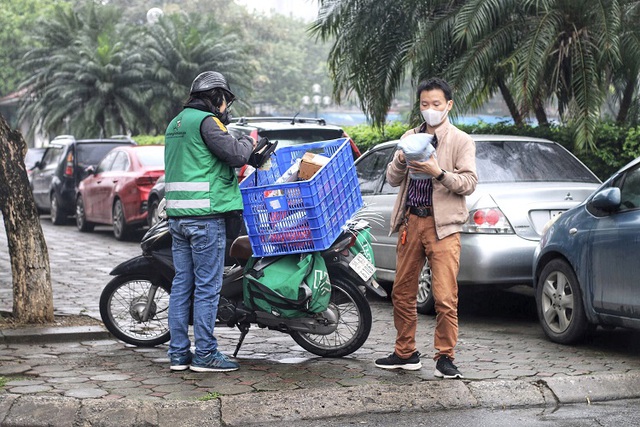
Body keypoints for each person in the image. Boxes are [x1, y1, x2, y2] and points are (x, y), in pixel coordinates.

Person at [375, 78, 478, 379]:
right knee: (402, 292)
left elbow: (469, 183)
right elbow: (393, 179)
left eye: (436, 104)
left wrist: (439, 173)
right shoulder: (410, 135)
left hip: (442, 226)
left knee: (445, 296)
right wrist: (400, 160)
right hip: (411, 221)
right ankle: (405, 353)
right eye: (424, 104)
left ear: (449, 105)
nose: (430, 109)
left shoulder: (461, 141)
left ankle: (445, 357)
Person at [164, 71, 255, 372]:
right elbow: (235, 155)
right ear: (216, 97)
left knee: (182, 287)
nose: (226, 107)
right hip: (205, 218)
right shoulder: (207, 122)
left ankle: (178, 355)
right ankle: (205, 354)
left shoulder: (175, 123)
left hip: (178, 219)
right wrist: (247, 142)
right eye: (225, 101)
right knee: (206, 288)